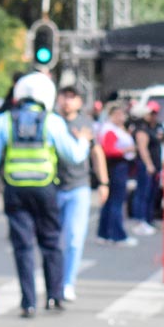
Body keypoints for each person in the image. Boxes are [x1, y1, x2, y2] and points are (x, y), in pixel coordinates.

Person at [0, 71, 90, 316]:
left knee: (23, 247)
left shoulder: (5, 120)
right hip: (45, 189)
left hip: (15, 191)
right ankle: (54, 296)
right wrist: (83, 142)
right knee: (51, 242)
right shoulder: (52, 121)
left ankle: (28, 302)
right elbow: (72, 156)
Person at [56, 85, 108, 302]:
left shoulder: (85, 124)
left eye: (72, 97)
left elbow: (97, 152)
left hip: (79, 186)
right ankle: (55, 280)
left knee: (75, 239)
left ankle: (68, 283)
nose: (68, 101)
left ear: (79, 102)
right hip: (54, 186)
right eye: (64, 97)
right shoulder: (52, 122)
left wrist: (104, 182)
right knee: (53, 240)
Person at [96, 102, 137, 246]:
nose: (121, 117)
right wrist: (126, 151)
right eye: (118, 114)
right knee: (116, 202)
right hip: (116, 167)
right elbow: (109, 150)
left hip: (117, 167)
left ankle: (105, 233)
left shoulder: (114, 129)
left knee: (110, 202)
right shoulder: (110, 130)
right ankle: (117, 235)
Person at [129, 100, 164, 235]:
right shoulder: (142, 128)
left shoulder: (158, 127)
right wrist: (148, 164)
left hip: (156, 165)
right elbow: (142, 148)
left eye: (155, 113)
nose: (153, 116)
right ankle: (140, 220)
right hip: (146, 165)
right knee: (143, 193)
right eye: (151, 113)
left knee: (152, 193)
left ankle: (149, 219)